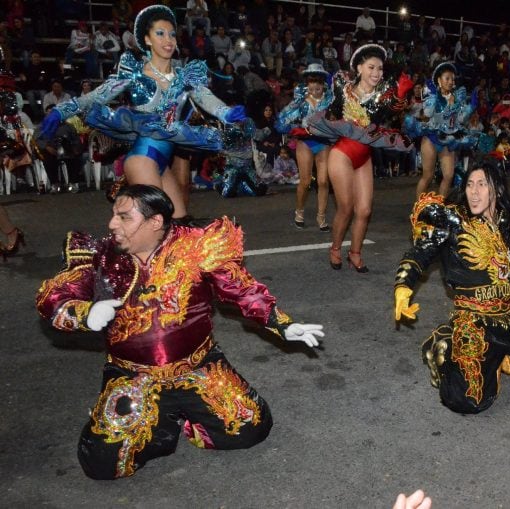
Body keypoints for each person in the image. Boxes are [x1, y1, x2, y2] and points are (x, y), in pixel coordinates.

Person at [35, 184, 325, 479]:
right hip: (132, 374)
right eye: (114, 215)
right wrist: (84, 313)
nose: (112, 224)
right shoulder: (103, 256)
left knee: (249, 427)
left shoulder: (197, 247)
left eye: (124, 217)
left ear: (155, 222)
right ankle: (160, 424)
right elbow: (54, 295)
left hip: (198, 367)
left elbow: (243, 290)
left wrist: (283, 324)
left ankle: (178, 417)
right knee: (102, 464)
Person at [394, 161, 510, 414]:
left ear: (496, 190)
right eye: (470, 184)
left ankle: (508, 359)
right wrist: (403, 286)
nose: (474, 191)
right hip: (475, 324)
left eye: (482, 184)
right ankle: (444, 345)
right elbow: (418, 254)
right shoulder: (453, 223)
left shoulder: (508, 222)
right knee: (467, 401)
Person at [38, 4, 246, 219]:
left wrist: (226, 113)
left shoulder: (185, 75)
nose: (169, 40)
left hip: (162, 161)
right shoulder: (135, 74)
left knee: (179, 223)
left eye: (172, 34)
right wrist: (61, 111)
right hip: (143, 159)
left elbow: (205, 98)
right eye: (160, 33)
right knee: (156, 224)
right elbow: (96, 96)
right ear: (147, 40)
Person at [298, 44, 413, 272]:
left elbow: (391, 110)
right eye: (371, 67)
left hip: (364, 157)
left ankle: (355, 253)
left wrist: (401, 93)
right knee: (346, 207)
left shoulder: (382, 97)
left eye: (380, 68)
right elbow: (331, 113)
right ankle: (335, 248)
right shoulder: (343, 89)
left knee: (365, 211)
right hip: (341, 155)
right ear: (359, 68)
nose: (376, 73)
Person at [275, 62, 333, 230]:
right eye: (311, 82)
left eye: (318, 83)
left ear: (323, 83)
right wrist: (294, 126)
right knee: (306, 181)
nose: (315, 87)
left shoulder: (330, 99)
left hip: (323, 142)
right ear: (307, 83)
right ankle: (299, 211)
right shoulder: (300, 101)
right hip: (305, 142)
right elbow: (282, 119)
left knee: (323, 181)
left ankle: (321, 217)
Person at [406, 62, 477, 198]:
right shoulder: (431, 96)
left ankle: (439, 207)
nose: (451, 82)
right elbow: (426, 115)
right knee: (428, 176)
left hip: (448, 140)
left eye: (452, 79)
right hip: (432, 138)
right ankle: (419, 208)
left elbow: (460, 119)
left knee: (449, 175)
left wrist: (471, 107)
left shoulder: (456, 98)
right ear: (439, 80)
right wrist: (433, 98)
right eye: (447, 78)